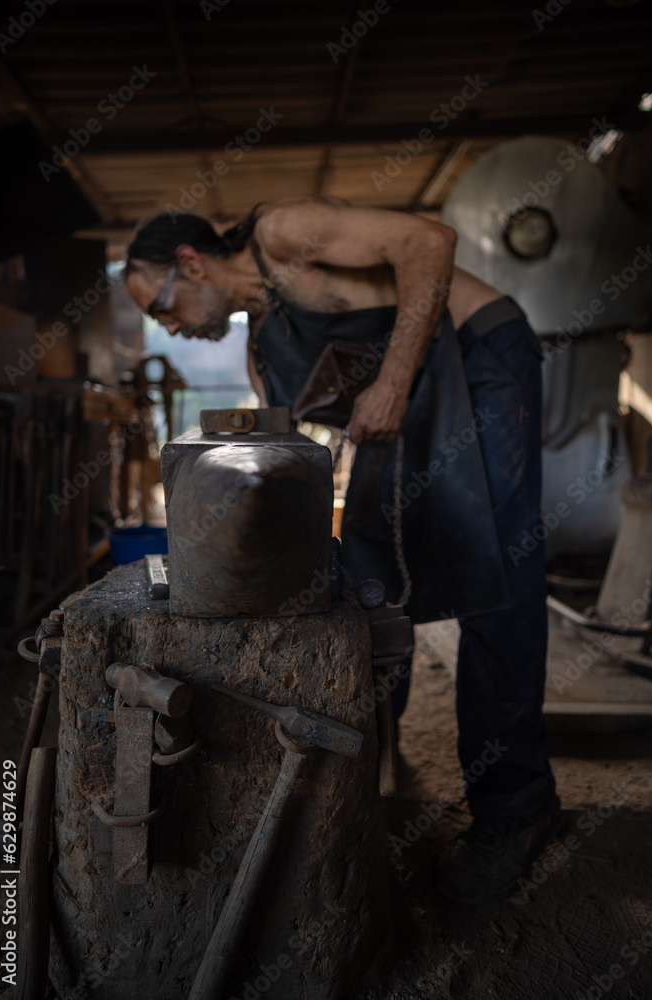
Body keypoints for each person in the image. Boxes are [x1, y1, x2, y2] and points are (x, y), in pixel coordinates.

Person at [124, 196, 559, 904]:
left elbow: (429, 241)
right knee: (368, 575)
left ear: (191, 261)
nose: (169, 326)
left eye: (162, 307)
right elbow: (294, 442)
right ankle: (370, 783)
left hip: (479, 355)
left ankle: (516, 807)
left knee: (497, 574)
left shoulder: (280, 232)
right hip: (412, 392)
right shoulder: (264, 332)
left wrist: (389, 385)